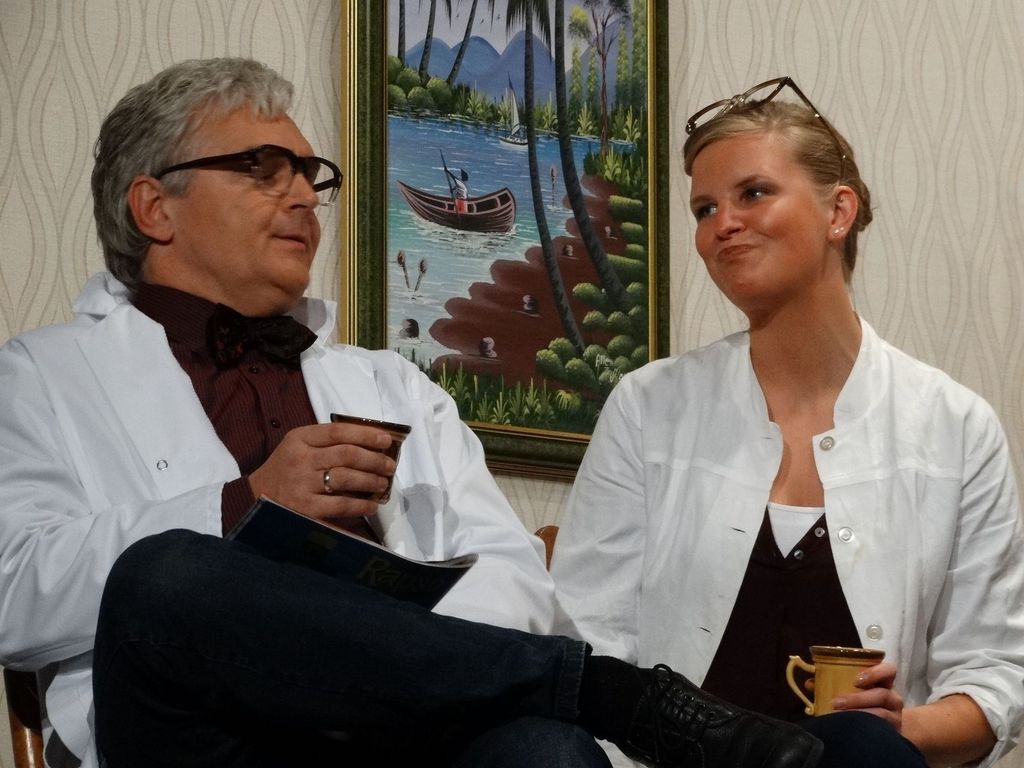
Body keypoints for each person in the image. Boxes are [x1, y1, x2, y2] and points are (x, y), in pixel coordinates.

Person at [0, 59, 824, 768]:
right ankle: (614, 694)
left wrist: (387, 634)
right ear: (154, 207)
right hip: (203, 739)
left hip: (401, 736)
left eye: (310, 174)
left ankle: (587, 700)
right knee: (162, 575)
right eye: (263, 167)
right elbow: (12, 593)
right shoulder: (41, 376)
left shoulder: (392, 384)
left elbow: (516, 581)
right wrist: (244, 504)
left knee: (544, 750)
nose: (304, 195)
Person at [551, 77, 1024, 768]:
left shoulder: (956, 428)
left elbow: (994, 676)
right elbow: (588, 642)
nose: (722, 225)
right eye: (705, 208)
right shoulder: (647, 408)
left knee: (860, 749)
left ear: (839, 212)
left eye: (753, 193)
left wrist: (902, 732)